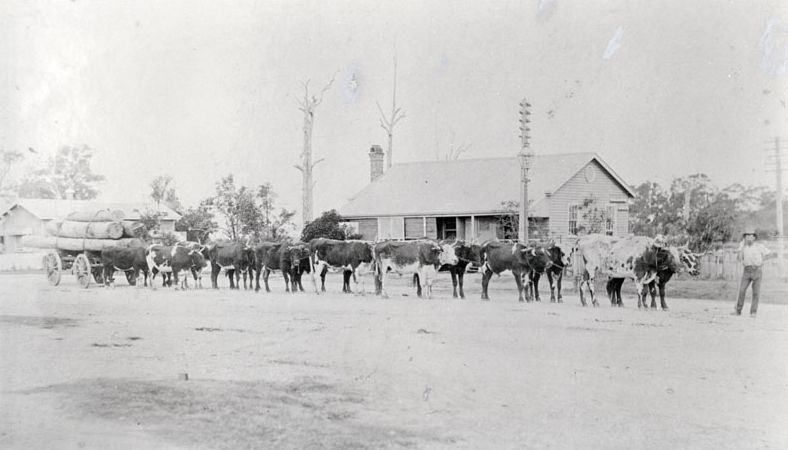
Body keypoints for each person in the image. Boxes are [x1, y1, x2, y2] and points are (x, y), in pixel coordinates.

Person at [733, 231, 772, 317]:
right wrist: (740, 248)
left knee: (756, 292)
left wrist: (762, 261)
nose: (749, 238)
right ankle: (738, 310)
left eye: (751, 236)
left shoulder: (759, 246)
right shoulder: (743, 248)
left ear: (754, 238)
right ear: (745, 238)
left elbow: (769, 254)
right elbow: (739, 259)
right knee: (742, 290)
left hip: (757, 270)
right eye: (747, 236)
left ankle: (753, 312)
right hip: (746, 271)